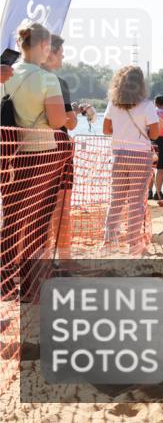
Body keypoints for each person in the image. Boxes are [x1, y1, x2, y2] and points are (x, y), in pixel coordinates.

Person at [0, 23, 69, 300]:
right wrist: (66, 116)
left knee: (13, 220)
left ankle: (4, 285)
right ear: (42, 46)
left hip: (10, 154)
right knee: (38, 222)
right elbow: (57, 121)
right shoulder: (46, 79)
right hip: (42, 155)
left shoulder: (5, 75)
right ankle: (29, 286)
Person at [40, 35, 91, 264]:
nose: (63, 57)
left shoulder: (18, 77)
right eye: (61, 53)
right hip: (57, 148)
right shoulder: (57, 82)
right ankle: (65, 259)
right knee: (61, 208)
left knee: (29, 211)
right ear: (49, 53)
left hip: (25, 149)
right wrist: (74, 112)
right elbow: (69, 122)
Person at [103, 66, 160, 254]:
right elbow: (155, 133)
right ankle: (134, 244)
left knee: (116, 199)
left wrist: (122, 130)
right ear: (140, 84)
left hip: (118, 153)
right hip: (140, 155)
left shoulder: (113, 103)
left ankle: (109, 241)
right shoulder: (147, 105)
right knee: (136, 201)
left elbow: (106, 129)